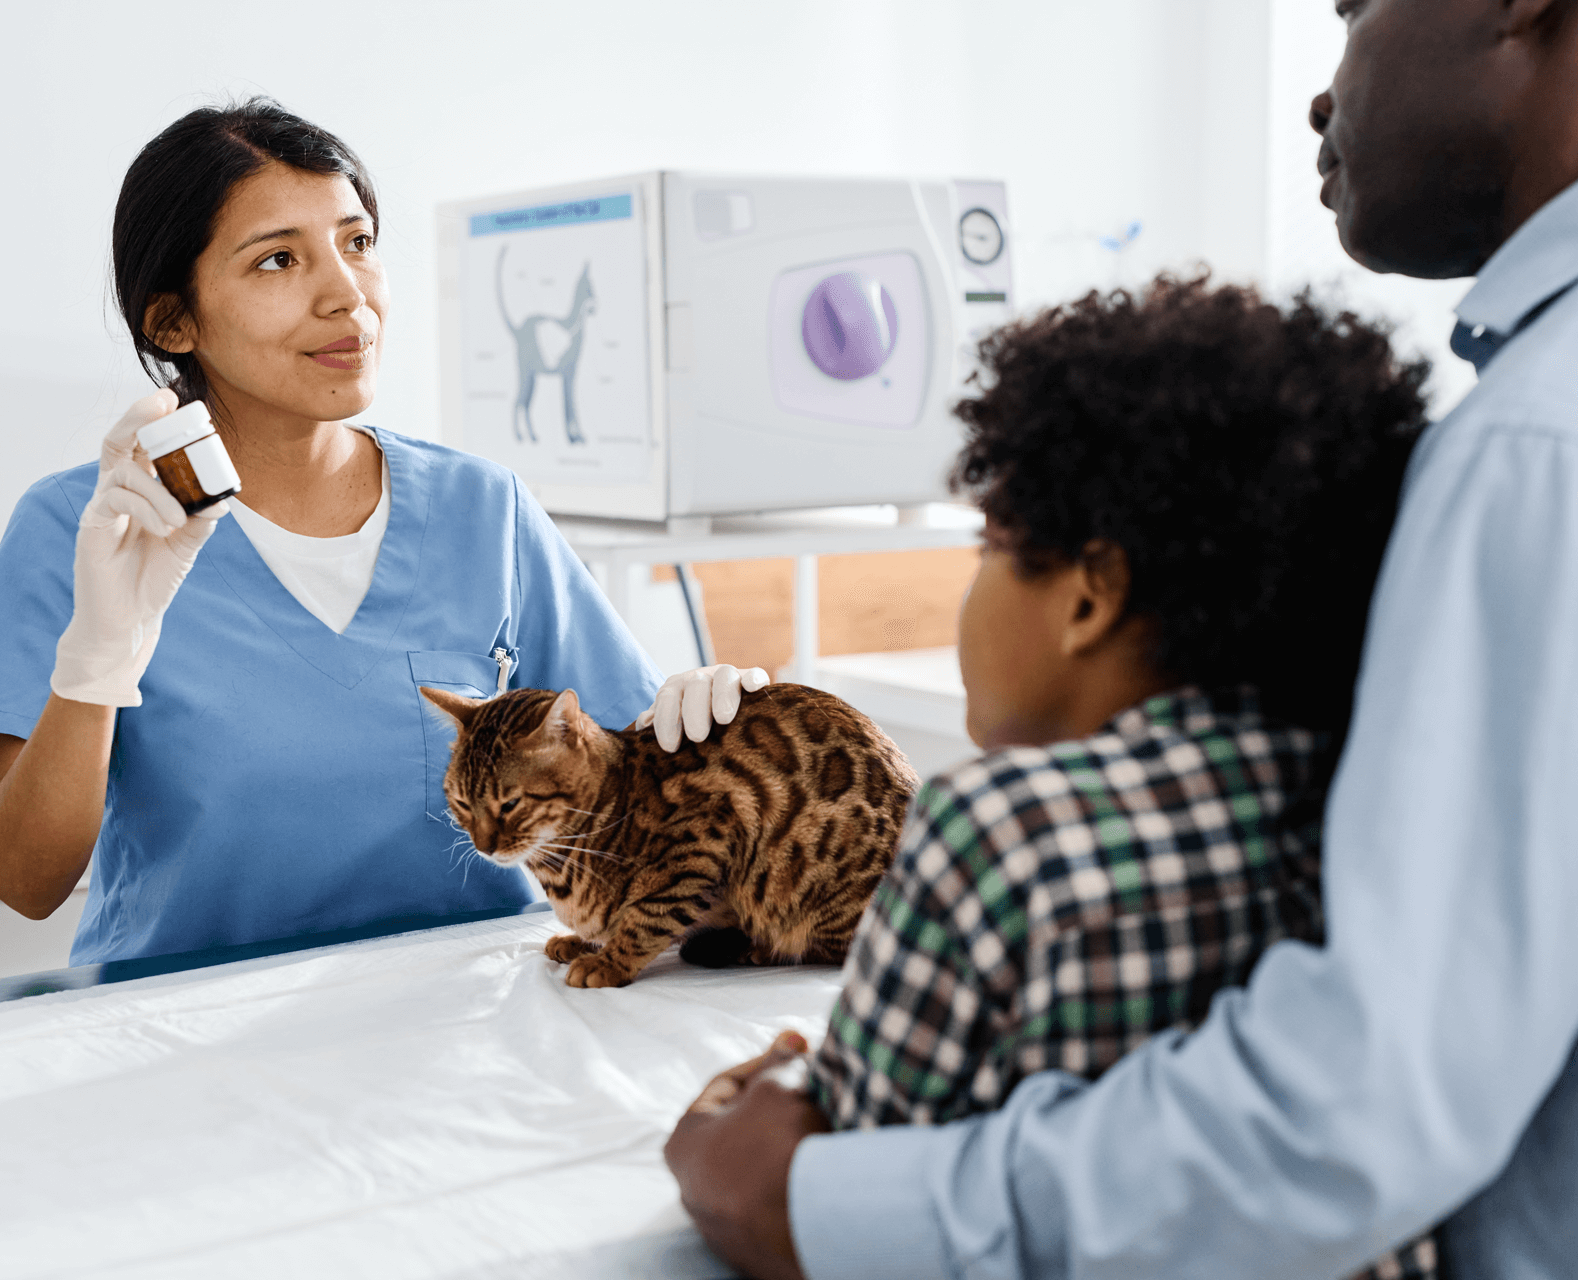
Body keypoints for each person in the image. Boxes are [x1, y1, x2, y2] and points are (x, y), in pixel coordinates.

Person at [663, 0, 1578, 1275]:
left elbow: (1364, 1100)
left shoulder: (1537, 449)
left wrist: (806, 1194)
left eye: (1352, 7)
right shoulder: (1302, 780)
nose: (1323, 95)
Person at [0, 99, 761, 964]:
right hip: (191, 1042)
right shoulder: (87, 530)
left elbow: (629, 779)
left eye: (358, 243)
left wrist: (725, 723)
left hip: (472, 1018)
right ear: (175, 320)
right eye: (279, 260)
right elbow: (26, 883)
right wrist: (101, 654)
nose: (346, 295)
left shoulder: (485, 509)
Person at [802, 277, 1435, 1279]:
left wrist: (781, 1095)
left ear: (1089, 595)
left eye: (988, 545)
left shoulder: (997, 829)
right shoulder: (1378, 795)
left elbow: (836, 1182)